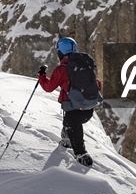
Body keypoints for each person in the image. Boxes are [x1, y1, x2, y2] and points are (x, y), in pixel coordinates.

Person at [38, 37, 102, 167]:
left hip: (73, 109)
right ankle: (67, 140)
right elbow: (97, 84)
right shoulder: (86, 64)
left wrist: (42, 77)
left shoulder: (63, 68)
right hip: (89, 108)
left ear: (60, 51)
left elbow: (49, 87)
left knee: (72, 123)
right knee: (70, 123)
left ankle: (81, 154)